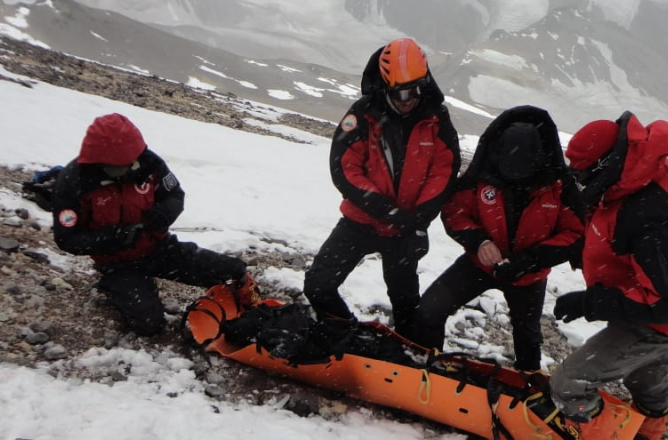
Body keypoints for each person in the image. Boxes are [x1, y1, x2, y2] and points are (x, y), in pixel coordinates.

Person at [549, 111, 668, 440]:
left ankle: (590, 431)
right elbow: (614, 226)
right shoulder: (633, 174)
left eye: (584, 174)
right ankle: (651, 428)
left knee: (569, 382)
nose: (580, 182)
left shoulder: (649, 212)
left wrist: (592, 303)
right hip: (647, 307)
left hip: (658, 320)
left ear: (605, 166)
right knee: (642, 375)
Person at [407, 105, 584, 372]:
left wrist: (531, 260)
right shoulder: (482, 174)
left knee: (528, 340)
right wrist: (479, 242)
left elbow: (574, 234)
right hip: (479, 265)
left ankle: (526, 384)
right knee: (429, 310)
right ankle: (427, 368)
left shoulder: (558, 185)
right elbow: (455, 212)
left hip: (528, 276)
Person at [52, 113, 259, 337]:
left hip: (159, 249)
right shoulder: (74, 181)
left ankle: (253, 300)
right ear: (101, 162)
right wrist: (115, 237)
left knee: (230, 272)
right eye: (121, 167)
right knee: (148, 324)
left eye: (133, 163)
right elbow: (67, 239)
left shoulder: (148, 163)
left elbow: (175, 195)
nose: (131, 169)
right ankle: (115, 286)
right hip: (118, 264)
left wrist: (162, 215)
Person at [303, 38, 460, 330]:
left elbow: (444, 170)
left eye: (415, 90)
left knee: (406, 306)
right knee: (317, 286)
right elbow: (345, 168)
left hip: (405, 229)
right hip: (360, 222)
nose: (408, 100)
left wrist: (418, 219)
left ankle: (407, 355)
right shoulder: (363, 114)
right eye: (400, 93)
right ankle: (346, 334)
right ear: (385, 85)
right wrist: (384, 209)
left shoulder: (436, 117)